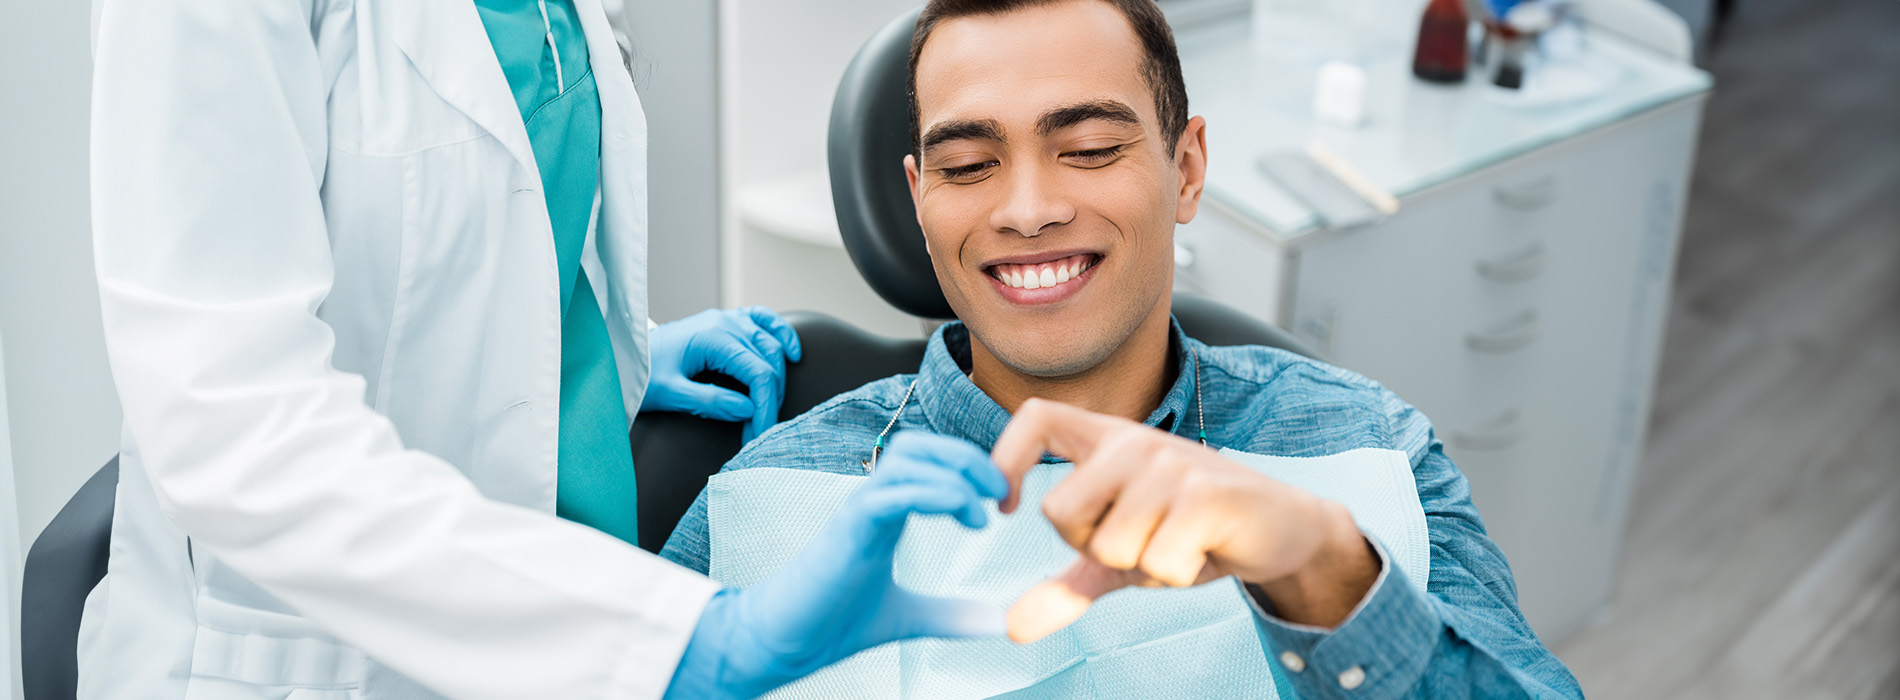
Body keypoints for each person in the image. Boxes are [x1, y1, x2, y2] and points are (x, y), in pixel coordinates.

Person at [662, 0, 1585, 697]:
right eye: (968, 166)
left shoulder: (1367, 445)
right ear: (917, 197)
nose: (1027, 210)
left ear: (1185, 170)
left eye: (1092, 148)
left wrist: (1322, 571)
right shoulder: (767, 493)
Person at [80, 1, 1001, 698]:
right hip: (323, 649)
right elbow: (231, 421)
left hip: (575, 571)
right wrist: (696, 643)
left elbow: (508, 198)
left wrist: (592, 352)